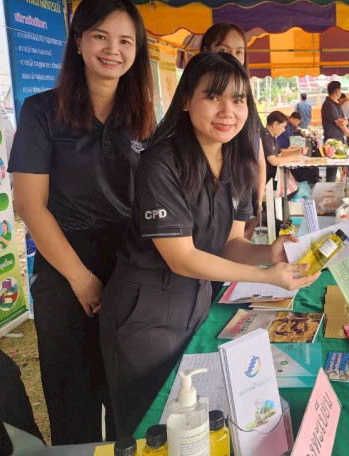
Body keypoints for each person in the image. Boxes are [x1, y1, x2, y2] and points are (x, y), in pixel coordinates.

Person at [100, 52, 318, 437]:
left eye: (238, 100)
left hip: (197, 304)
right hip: (146, 316)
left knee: (195, 423)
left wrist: (269, 252)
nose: (227, 111)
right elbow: (181, 258)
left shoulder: (237, 161)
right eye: (213, 97)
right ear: (186, 100)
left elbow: (231, 243)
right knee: (150, 428)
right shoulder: (161, 163)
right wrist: (266, 275)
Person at [9, 0, 156, 445]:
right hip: (64, 271)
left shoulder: (144, 118)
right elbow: (29, 204)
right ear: (77, 42)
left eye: (126, 41)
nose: (113, 50)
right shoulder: (41, 111)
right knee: (75, 413)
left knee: (133, 410)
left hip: (132, 270)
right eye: (100, 36)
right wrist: (81, 280)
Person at [200, 23, 265, 240]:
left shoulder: (247, 105)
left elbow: (257, 152)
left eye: (239, 52)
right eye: (223, 50)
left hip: (241, 193)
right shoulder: (164, 164)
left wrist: (258, 197)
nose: (233, 59)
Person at [321, 80, 349, 182]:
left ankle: (346, 184)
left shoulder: (336, 103)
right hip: (332, 140)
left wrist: (344, 122)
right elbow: (340, 123)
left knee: (345, 165)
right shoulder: (328, 105)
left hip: (339, 138)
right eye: (340, 90)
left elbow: (345, 120)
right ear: (337, 91)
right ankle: (329, 186)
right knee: (332, 168)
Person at [262, 111, 307, 183]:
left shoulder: (272, 137)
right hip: (267, 177)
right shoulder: (264, 137)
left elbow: (280, 153)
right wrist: (294, 158)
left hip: (274, 174)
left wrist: (298, 151)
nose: (284, 130)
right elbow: (273, 161)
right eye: (283, 126)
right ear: (275, 124)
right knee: (304, 174)